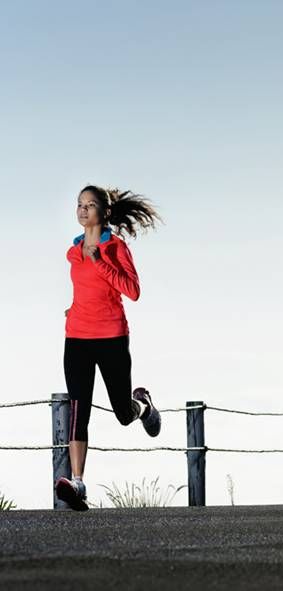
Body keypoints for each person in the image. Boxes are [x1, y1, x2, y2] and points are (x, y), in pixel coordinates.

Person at [55, 185, 165, 511]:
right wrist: (73, 309)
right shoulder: (73, 251)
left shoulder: (115, 248)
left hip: (112, 338)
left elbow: (132, 291)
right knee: (78, 409)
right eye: (79, 204)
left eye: (90, 205)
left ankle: (142, 406)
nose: (83, 209)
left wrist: (101, 261)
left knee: (122, 413)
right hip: (76, 337)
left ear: (103, 212)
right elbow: (87, 290)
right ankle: (77, 484)